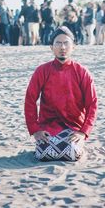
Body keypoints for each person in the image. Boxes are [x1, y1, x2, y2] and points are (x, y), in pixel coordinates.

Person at [24, 26, 97, 161]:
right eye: (58, 43)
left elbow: (92, 104)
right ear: (51, 47)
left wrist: (83, 132)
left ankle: (79, 145)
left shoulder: (82, 72)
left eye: (66, 43)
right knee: (43, 154)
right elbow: (30, 100)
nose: (62, 47)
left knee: (73, 153)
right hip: (48, 127)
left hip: (74, 127)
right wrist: (35, 130)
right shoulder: (42, 71)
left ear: (73, 46)